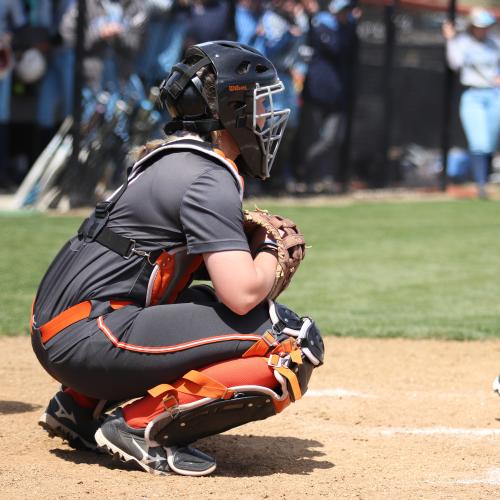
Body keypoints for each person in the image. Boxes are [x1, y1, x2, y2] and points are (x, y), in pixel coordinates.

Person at [31, 41, 323, 477]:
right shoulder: (209, 174)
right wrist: (268, 253)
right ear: (231, 107)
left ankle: (79, 406)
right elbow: (242, 293)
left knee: (202, 299)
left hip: (68, 330)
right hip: (91, 336)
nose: (266, 117)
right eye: (259, 103)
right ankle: (138, 428)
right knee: (291, 343)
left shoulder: (166, 159)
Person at [293, 0, 359, 194]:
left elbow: (348, 49)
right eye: (343, 11)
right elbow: (335, 47)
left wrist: (351, 25)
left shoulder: (347, 29)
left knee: (332, 139)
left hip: (338, 96)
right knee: (311, 137)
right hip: (317, 93)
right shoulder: (321, 24)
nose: (345, 15)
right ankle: (305, 176)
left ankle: (320, 176)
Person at [443, 7, 500, 199]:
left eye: (485, 27)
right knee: (479, 142)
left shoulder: (494, 43)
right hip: (473, 94)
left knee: (490, 142)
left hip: (494, 95)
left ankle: (485, 179)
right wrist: (450, 39)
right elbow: (455, 63)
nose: (482, 30)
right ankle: (481, 185)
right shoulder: (463, 43)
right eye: (479, 26)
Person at [0, 0, 25, 189]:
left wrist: (8, 40)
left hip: (2, 59)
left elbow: (19, 27)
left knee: (2, 115)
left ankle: (2, 172)